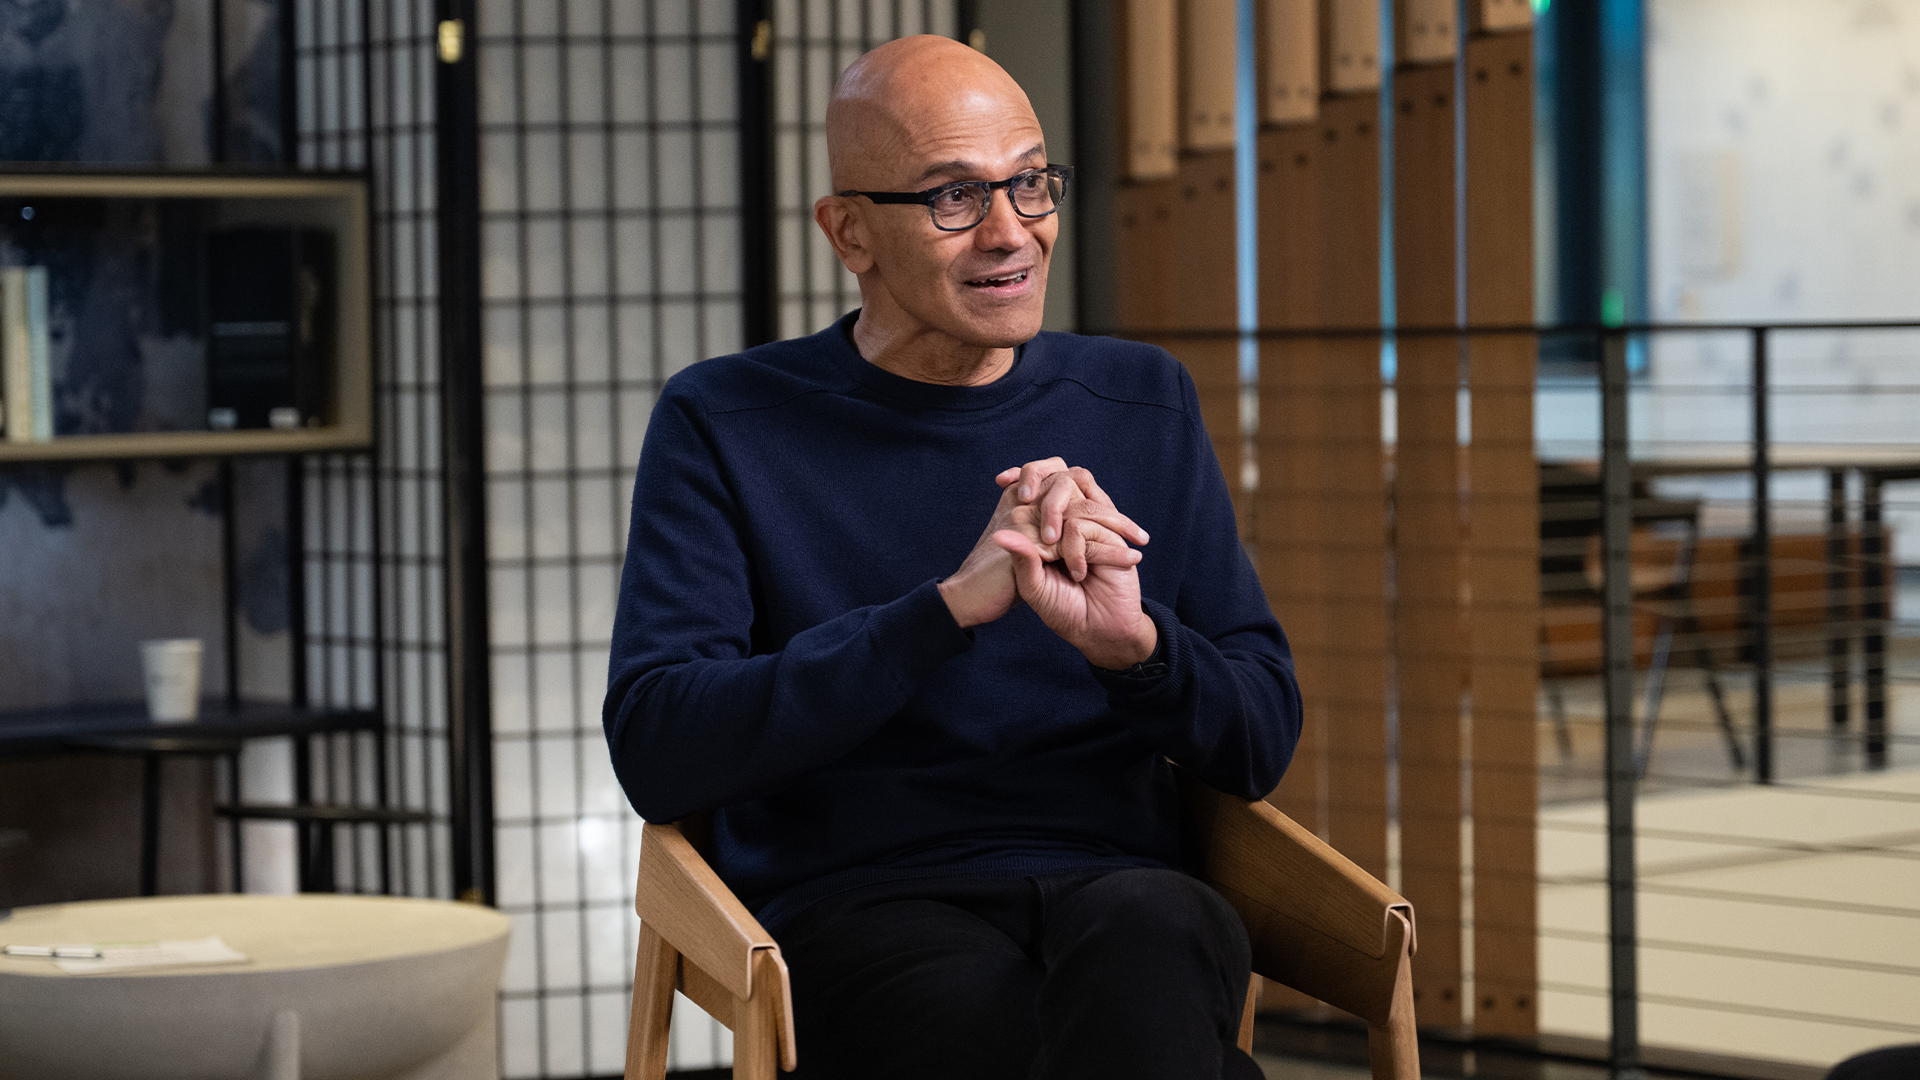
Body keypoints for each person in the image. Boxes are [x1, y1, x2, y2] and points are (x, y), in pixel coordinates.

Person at [604, 34, 1301, 1080]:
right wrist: (937, 616)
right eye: (953, 198)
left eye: (1031, 182)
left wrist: (1138, 650)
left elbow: (1258, 739)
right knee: (1003, 1027)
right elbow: (660, 742)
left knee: (1152, 935)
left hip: (1122, 880)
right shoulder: (727, 420)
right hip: (861, 899)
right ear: (849, 233)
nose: (1010, 232)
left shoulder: (1139, 399)